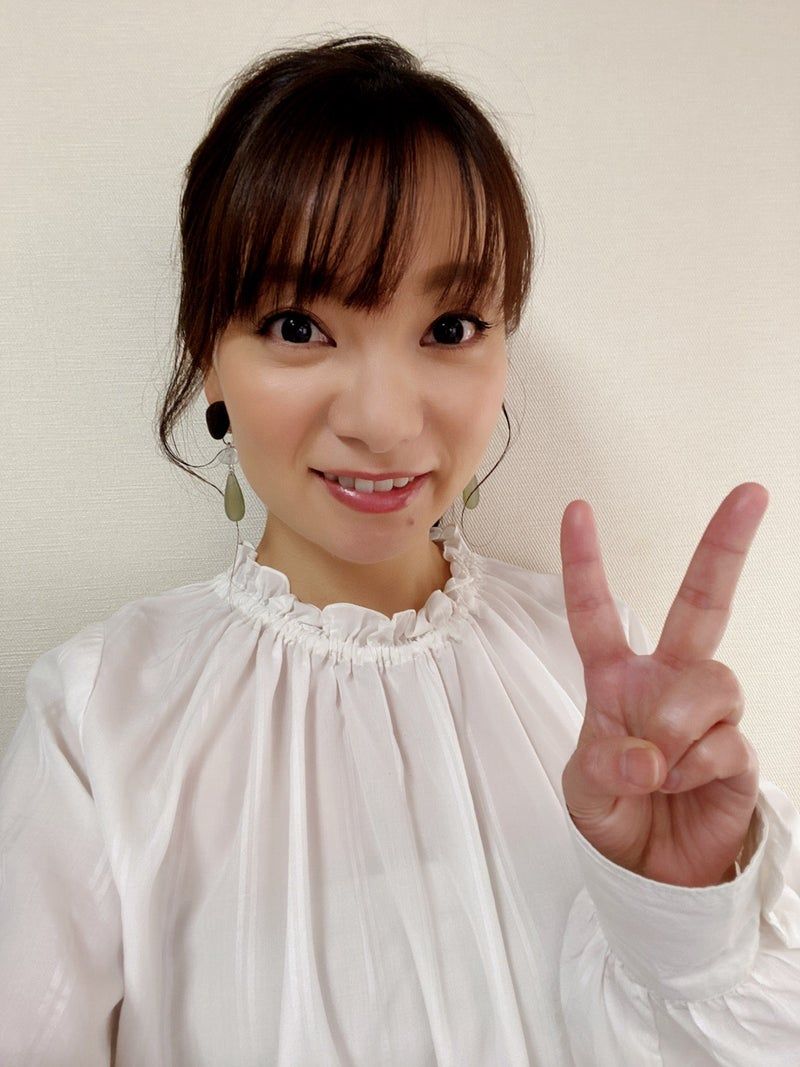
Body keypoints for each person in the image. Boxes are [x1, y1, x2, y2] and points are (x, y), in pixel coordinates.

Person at [1, 32, 798, 1067]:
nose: (382, 420)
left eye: (450, 325)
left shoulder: (598, 686)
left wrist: (682, 921)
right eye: (297, 325)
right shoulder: (100, 716)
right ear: (209, 355)